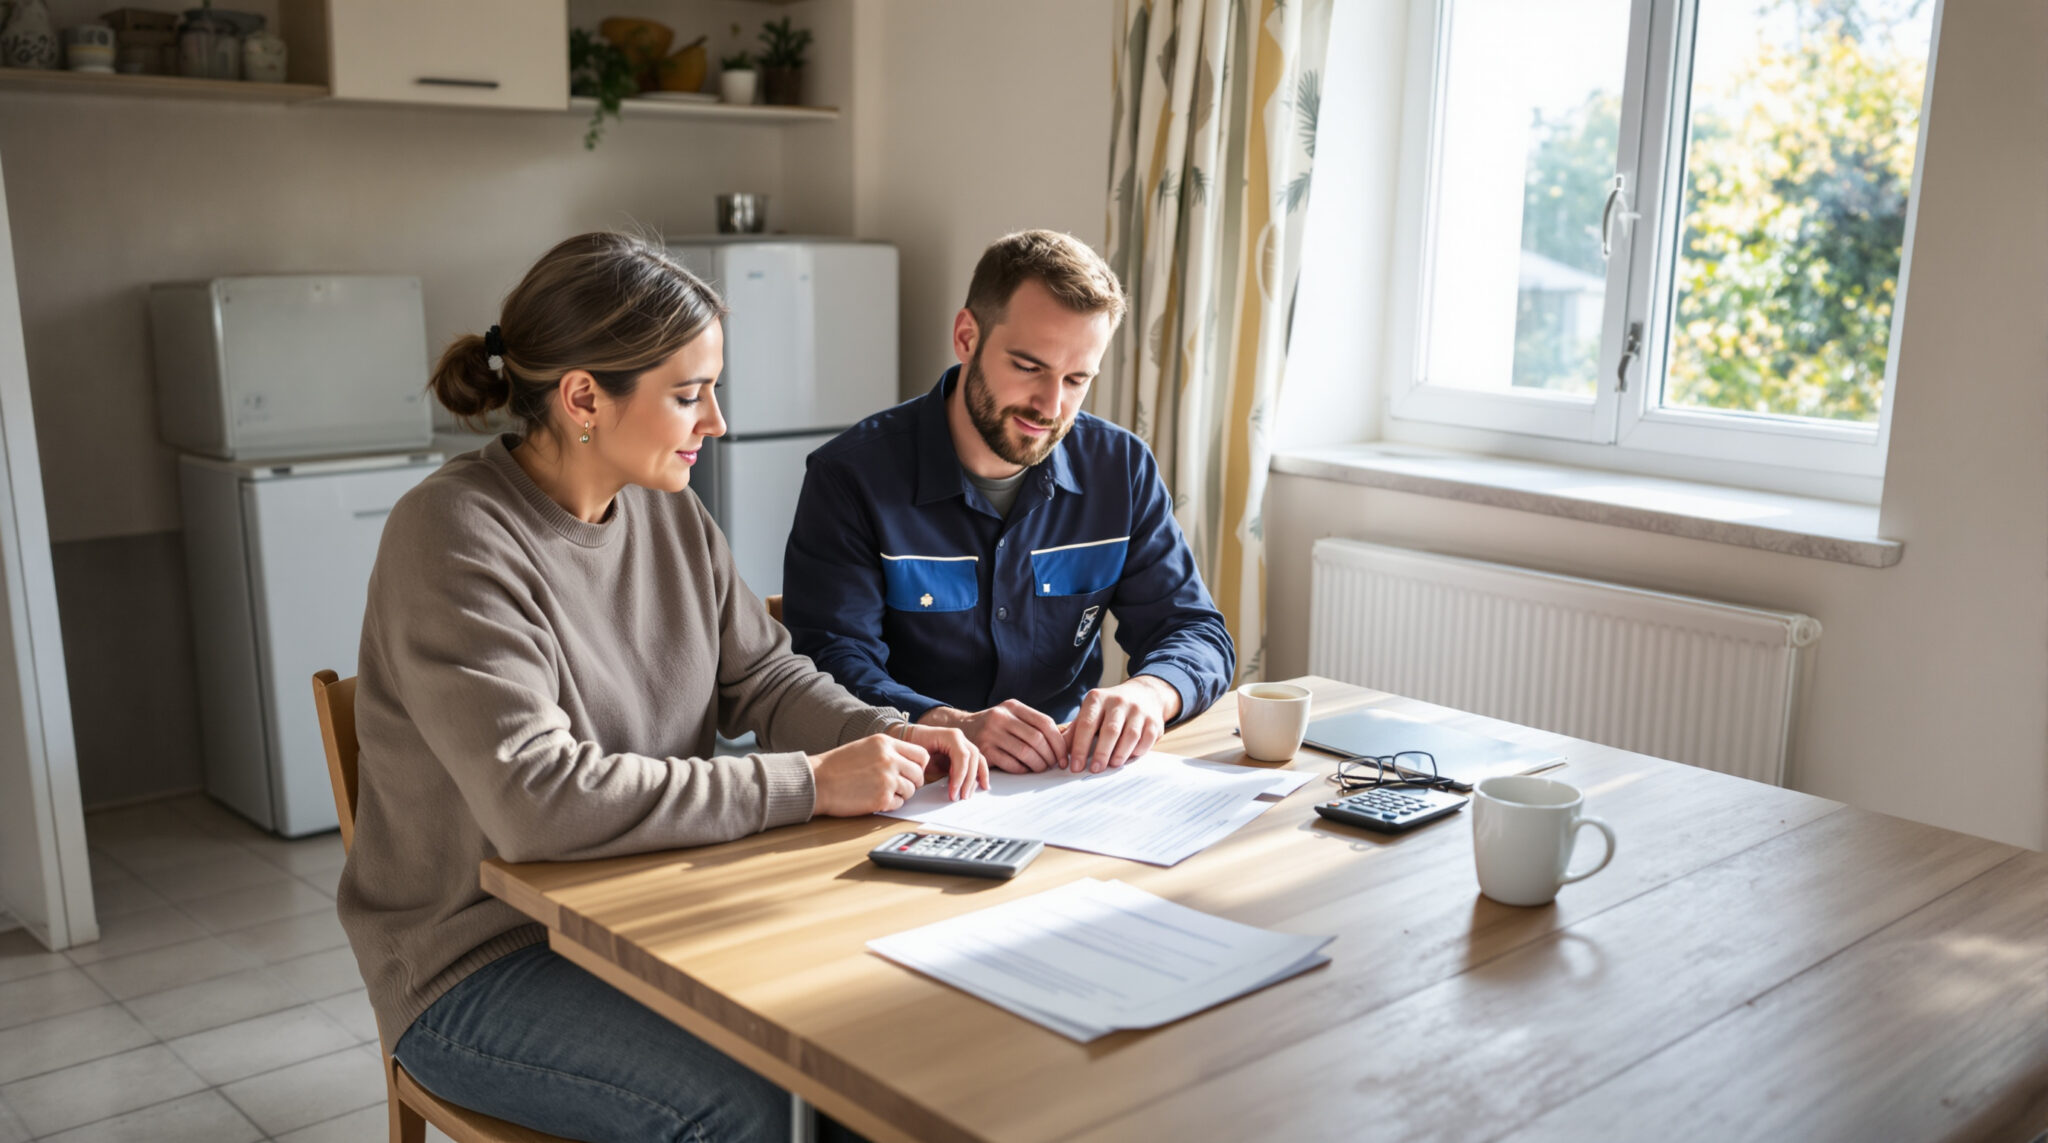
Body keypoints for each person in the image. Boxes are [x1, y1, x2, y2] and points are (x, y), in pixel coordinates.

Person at [335, 232, 986, 1143]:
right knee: (750, 1111)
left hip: (643, 910)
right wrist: (808, 783)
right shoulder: (452, 536)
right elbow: (539, 800)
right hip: (480, 959)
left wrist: (893, 732)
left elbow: (764, 675)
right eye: (689, 394)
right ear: (582, 398)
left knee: (868, 1055)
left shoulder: (669, 511)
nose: (714, 419)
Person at [783, 229, 1235, 777]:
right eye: (1029, 367)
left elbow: (1193, 630)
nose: (1051, 405)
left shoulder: (1122, 468)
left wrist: (1150, 693)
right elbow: (830, 667)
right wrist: (953, 724)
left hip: (1066, 783)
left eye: (1076, 380)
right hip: (910, 780)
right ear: (967, 337)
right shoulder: (850, 477)